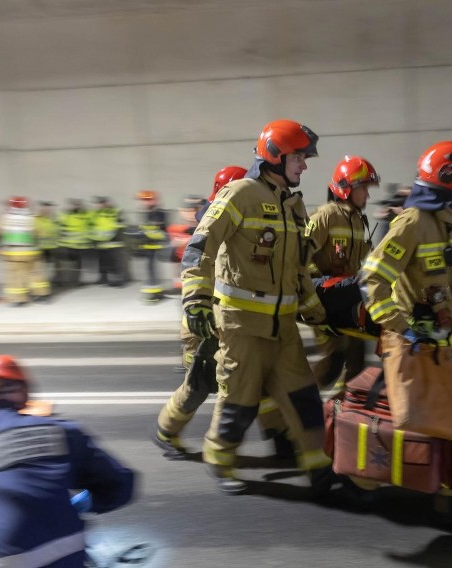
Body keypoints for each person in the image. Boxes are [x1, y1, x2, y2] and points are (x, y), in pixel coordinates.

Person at [180, 119, 333, 495]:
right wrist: (196, 300)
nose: (305, 166)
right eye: (299, 157)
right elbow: (200, 247)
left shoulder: (294, 206)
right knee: (240, 400)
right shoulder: (239, 194)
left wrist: (318, 316)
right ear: (276, 155)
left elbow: (298, 271)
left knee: (304, 396)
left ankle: (318, 465)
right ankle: (219, 456)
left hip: (282, 325)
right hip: (241, 324)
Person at [360, 140, 452, 528]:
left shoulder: (443, 223)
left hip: (447, 352)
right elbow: (373, 282)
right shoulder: (413, 223)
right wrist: (403, 328)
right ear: (447, 179)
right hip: (424, 354)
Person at [0, 355, 135, 566]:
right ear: (24, 392)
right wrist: (84, 503)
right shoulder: (63, 433)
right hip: (66, 558)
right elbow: (119, 486)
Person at [155, 165, 298, 460]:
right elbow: (200, 263)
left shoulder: (247, 218)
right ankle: (166, 432)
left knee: (255, 381)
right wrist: (197, 307)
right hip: (207, 321)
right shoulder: (218, 222)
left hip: (236, 319)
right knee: (200, 384)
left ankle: (279, 438)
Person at [305, 155, 378, 390]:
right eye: (363, 188)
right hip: (325, 302)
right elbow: (300, 258)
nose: (367, 195)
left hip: (350, 299)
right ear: (346, 188)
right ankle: (303, 404)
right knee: (333, 361)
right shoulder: (325, 216)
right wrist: (321, 283)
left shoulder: (357, 220)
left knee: (357, 361)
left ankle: (342, 413)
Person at [0, 196, 51, 306]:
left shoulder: (3, 218)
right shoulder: (33, 218)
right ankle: (41, 296)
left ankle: (18, 299)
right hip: (32, 253)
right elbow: (43, 233)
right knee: (35, 274)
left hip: (12, 254)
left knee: (15, 276)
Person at [134, 190, 169, 302]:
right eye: (143, 200)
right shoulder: (147, 213)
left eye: (147, 200)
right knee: (149, 270)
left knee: (152, 271)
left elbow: (160, 232)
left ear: (154, 200)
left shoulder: (159, 213)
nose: (144, 203)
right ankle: (153, 292)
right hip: (148, 246)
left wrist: (142, 233)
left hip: (155, 247)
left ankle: (154, 294)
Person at [90, 196, 126, 287]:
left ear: (105, 203)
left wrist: (114, 236)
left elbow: (121, 225)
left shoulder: (115, 211)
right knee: (102, 262)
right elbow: (93, 226)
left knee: (115, 262)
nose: (97, 206)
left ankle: (118, 281)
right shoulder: (95, 213)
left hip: (113, 242)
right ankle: (103, 278)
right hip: (101, 242)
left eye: (99, 203)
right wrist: (94, 239)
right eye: (97, 204)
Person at [57, 198, 93, 288]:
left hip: (80, 246)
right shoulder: (66, 214)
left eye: (78, 204)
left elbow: (93, 217)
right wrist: (66, 208)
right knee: (66, 265)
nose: (77, 206)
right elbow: (59, 220)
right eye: (75, 205)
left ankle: (76, 281)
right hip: (67, 245)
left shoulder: (86, 214)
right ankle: (63, 281)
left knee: (78, 265)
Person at [35, 200, 61, 286]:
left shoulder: (55, 219)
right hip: (39, 248)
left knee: (50, 268)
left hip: (53, 248)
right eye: (43, 207)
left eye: (47, 208)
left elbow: (59, 232)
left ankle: (48, 284)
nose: (45, 209)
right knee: (39, 268)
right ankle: (41, 284)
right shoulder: (36, 219)